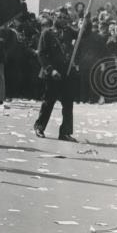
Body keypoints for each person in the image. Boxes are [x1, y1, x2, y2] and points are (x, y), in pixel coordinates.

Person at [33, 9, 79, 141]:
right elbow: (41, 54)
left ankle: (65, 132)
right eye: (60, 17)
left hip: (66, 72)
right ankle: (39, 127)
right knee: (49, 102)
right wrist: (50, 70)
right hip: (52, 73)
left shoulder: (69, 31)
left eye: (65, 17)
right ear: (54, 17)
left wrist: (86, 21)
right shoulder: (47, 33)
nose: (63, 19)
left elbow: (83, 34)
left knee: (68, 103)